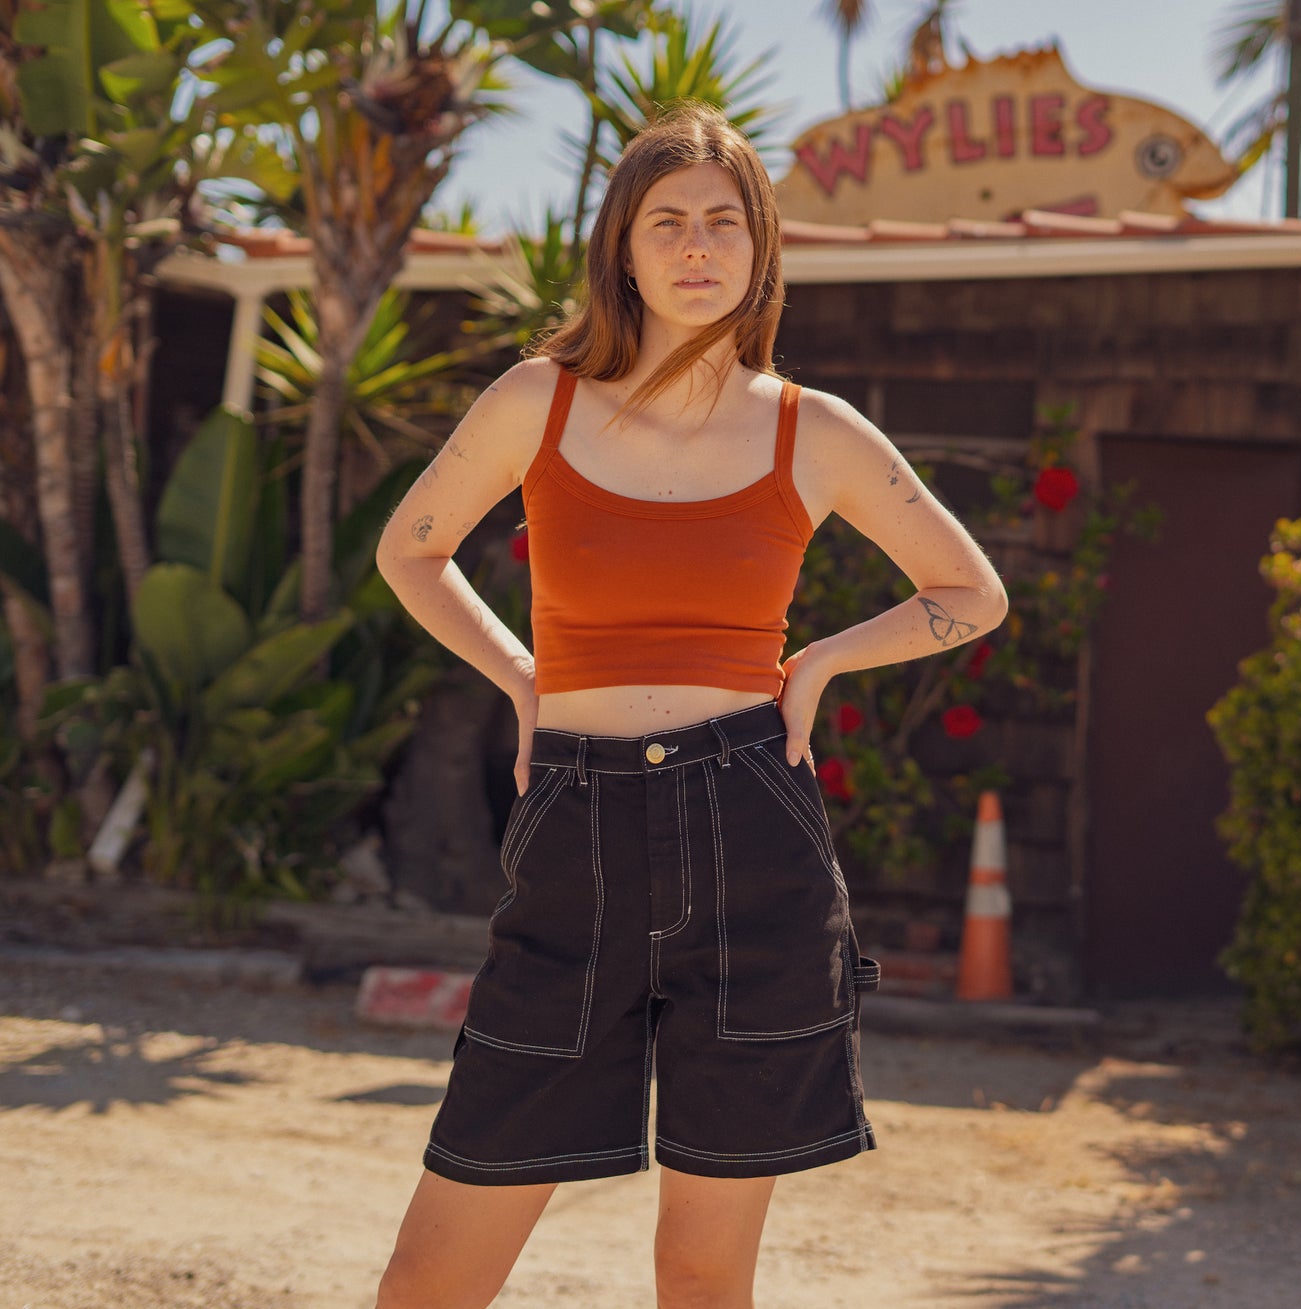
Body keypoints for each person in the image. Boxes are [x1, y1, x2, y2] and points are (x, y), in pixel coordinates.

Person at [370, 97, 1009, 1308]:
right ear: (622, 245)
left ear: (762, 248)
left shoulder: (811, 429)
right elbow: (413, 551)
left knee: (702, 1272)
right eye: (667, 222)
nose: (697, 245)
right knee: (430, 1272)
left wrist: (815, 663)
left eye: (725, 221)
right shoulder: (534, 401)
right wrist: (519, 675)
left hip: (749, 832)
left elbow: (969, 592)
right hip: (575, 831)